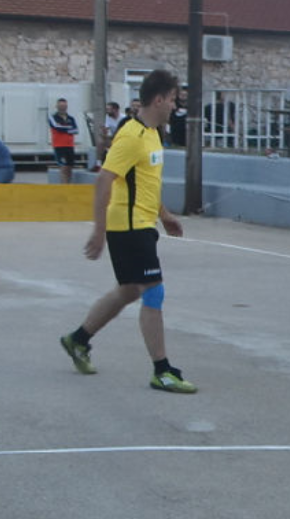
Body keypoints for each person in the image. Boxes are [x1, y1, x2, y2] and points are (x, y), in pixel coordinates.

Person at [58, 68, 194, 394]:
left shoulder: (153, 134)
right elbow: (104, 179)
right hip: (129, 226)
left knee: (130, 290)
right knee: (153, 291)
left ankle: (78, 339)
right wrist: (99, 231)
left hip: (143, 223)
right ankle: (162, 370)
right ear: (158, 99)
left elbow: (146, 183)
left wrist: (165, 215)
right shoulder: (131, 135)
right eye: (172, 100)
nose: (175, 106)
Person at [48, 98, 80, 184]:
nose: (62, 107)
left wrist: (65, 128)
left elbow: (76, 130)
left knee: (69, 167)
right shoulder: (53, 117)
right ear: (57, 106)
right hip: (59, 146)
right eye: (60, 106)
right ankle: (64, 186)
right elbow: (57, 127)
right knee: (63, 167)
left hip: (70, 145)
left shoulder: (71, 118)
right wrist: (69, 128)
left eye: (64, 106)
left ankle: (68, 185)